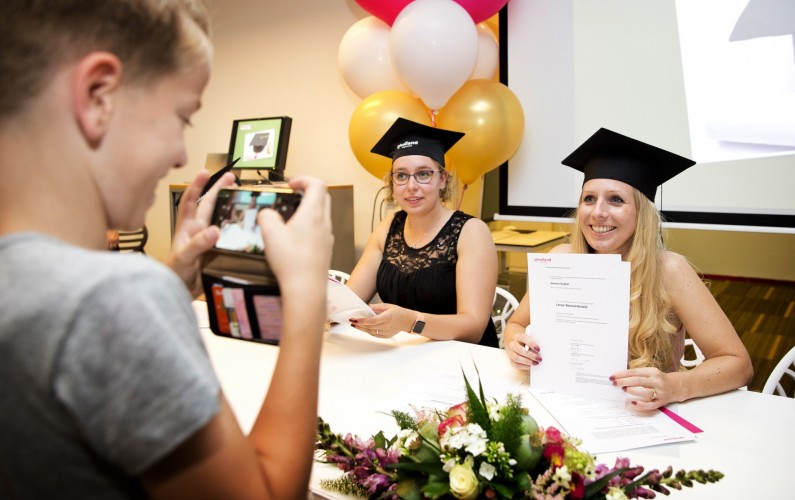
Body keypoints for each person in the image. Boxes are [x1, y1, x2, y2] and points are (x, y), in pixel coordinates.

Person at [0, 1, 333, 499]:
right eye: (182, 117)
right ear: (98, 96)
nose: (180, 153)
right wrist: (307, 290)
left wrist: (175, 273)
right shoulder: (116, 295)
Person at [504, 128, 753, 409]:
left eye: (616, 200)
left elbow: (738, 364)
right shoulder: (561, 259)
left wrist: (676, 386)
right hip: (564, 402)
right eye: (589, 199)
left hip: (643, 413)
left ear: (641, 213)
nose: (598, 212)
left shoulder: (670, 270)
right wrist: (517, 346)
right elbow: (515, 324)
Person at [345, 118, 499, 347]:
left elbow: (474, 328)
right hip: (406, 354)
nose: (411, 186)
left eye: (424, 174)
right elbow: (349, 301)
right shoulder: (388, 227)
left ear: (443, 179)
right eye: (401, 175)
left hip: (463, 360)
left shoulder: (471, 232)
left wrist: (411, 321)